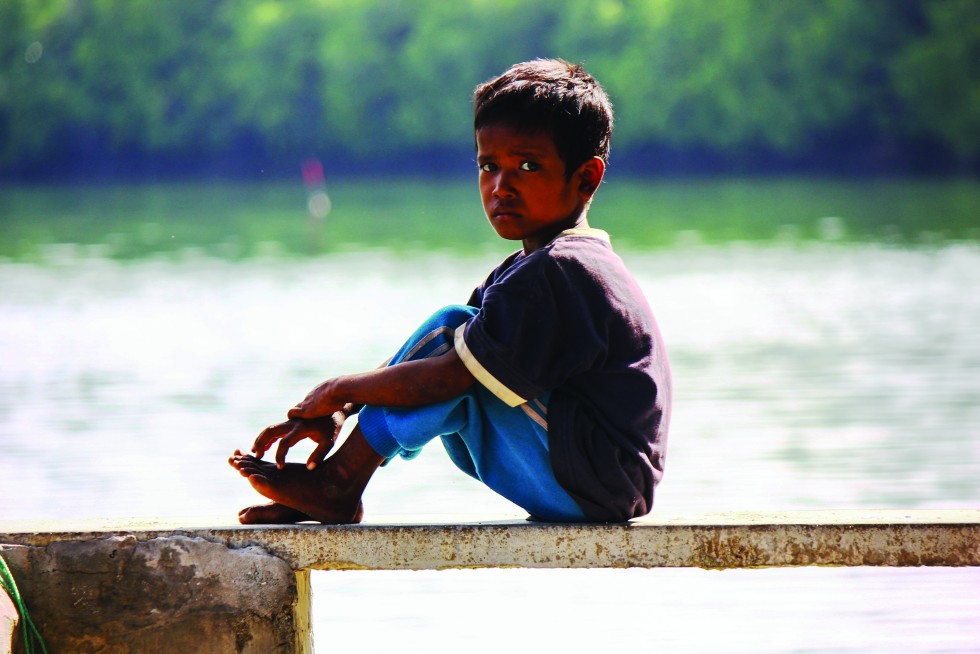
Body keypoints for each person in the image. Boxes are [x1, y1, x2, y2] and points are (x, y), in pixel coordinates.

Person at [229, 58, 672, 524]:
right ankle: (337, 481)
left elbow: (448, 371)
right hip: (597, 482)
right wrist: (342, 408)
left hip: (599, 480)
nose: (501, 186)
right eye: (488, 165)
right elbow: (443, 356)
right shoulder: (537, 266)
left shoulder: (563, 269)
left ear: (586, 178)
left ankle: (338, 483)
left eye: (527, 165)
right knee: (460, 339)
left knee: (455, 347)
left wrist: (339, 389)